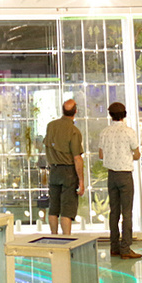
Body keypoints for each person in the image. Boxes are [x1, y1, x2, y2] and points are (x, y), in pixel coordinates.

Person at [98, 101, 142, 259]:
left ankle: (114, 246)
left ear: (110, 115)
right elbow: (137, 154)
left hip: (112, 175)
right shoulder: (129, 132)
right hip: (125, 174)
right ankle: (126, 248)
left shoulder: (105, 132)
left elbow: (101, 155)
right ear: (124, 114)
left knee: (114, 211)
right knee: (127, 212)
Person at [43, 98, 84, 234]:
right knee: (67, 209)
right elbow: (77, 158)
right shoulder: (74, 131)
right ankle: (66, 240)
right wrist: (82, 181)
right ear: (75, 111)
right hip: (68, 172)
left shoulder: (51, 126)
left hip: (53, 170)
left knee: (53, 207)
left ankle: (54, 237)